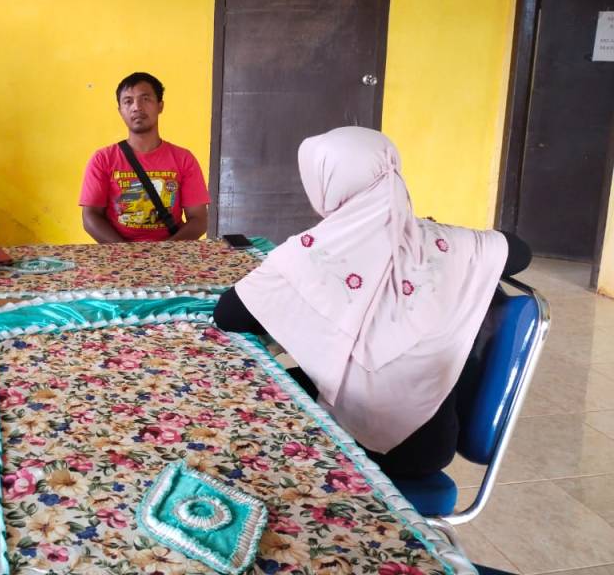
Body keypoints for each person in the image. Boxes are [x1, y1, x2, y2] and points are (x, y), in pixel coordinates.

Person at [213, 126, 531, 478]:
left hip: (347, 445)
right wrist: (433, 233)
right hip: (431, 444)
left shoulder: (310, 253)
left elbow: (229, 315)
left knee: (235, 405)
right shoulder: (445, 243)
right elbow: (520, 252)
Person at [79, 72, 210, 243]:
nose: (137, 107)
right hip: (118, 251)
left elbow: (199, 220)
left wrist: (165, 252)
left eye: (145, 99)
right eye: (128, 101)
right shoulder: (102, 159)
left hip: (171, 251)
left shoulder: (184, 159)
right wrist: (125, 252)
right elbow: (90, 216)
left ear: (160, 106)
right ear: (120, 111)